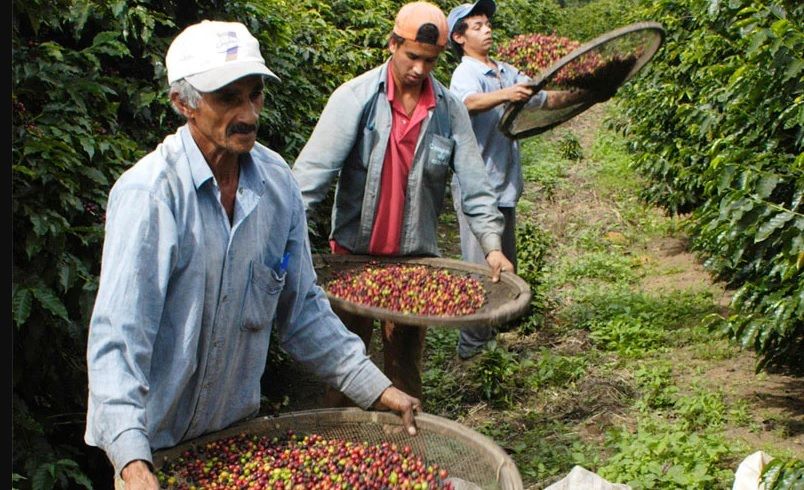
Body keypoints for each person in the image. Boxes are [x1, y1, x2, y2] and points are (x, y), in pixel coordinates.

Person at [84, 20, 420, 490]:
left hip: (236, 442)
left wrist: (374, 384)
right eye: (228, 98)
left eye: (255, 95)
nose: (248, 113)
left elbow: (302, 308)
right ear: (184, 103)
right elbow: (118, 340)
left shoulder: (276, 185)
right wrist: (131, 460)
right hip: (153, 453)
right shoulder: (151, 196)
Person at [292, 2, 514, 405]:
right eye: (412, 57)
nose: (419, 70)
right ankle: (339, 444)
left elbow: (476, 186)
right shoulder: (356, 99)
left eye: (430, 61)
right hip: (353, 261)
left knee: (404, 373)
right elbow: (309, 181)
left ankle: (403, 450)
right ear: (393, 44)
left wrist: (492, 247)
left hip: (415, 263)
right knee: (343, 368)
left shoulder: (448, 111)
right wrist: (286, 248)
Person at [447, 0, 590, 360]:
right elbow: (465, 103)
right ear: (459, 38)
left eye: (487, 23)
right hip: (477, 186)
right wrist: (506, 95)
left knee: (503, 264)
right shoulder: (466, 73)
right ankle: (472, 347)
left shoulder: (506, 71)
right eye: (476, 26)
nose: (487, 29)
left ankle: (494, 335)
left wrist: (588, 93)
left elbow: (543, 99)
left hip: (505, 184)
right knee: (479, 268)